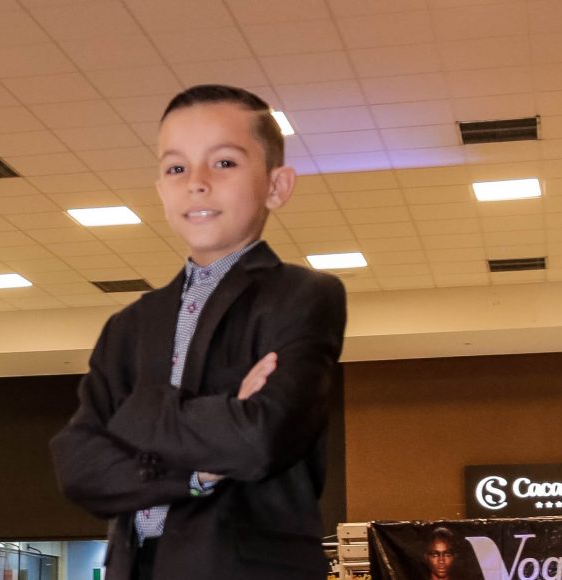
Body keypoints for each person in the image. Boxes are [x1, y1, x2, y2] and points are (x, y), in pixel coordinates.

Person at [50, 85, 348, 580]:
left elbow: (260, 440)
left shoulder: (303, 297)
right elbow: (77, 466)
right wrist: (198, 469)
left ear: (276, 185)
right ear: (160, 190)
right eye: (176, 168)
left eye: (224, 163)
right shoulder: (128, 326)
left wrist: (138, 414)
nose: (197, 183)